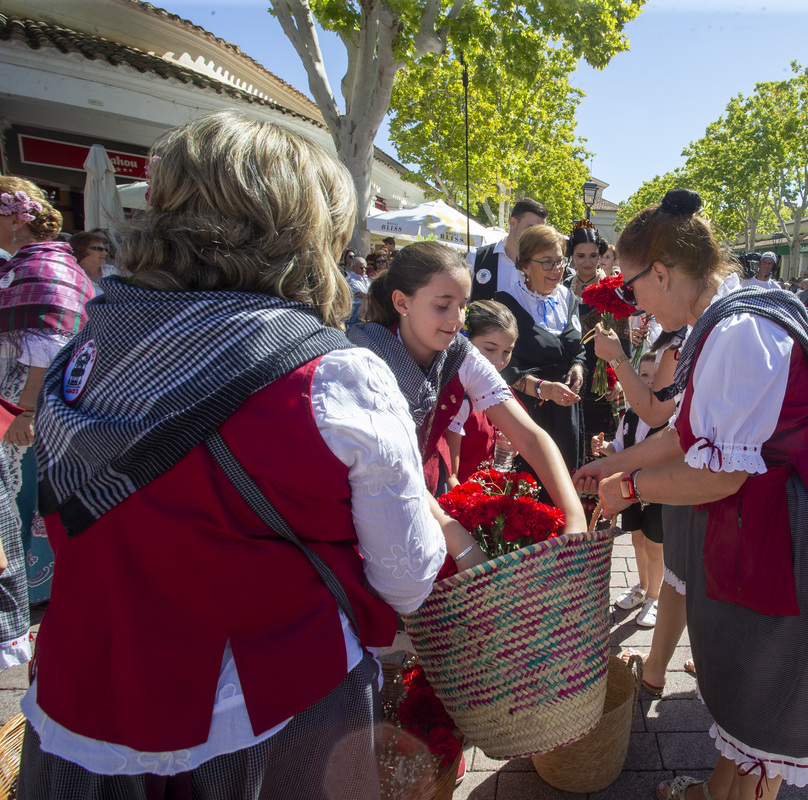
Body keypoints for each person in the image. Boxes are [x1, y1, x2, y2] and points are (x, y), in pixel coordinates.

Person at [17, 111, 465, 798]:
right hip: (265, 713)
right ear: (302, 231)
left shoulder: (82, 352)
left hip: (81, 710)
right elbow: (406, 578)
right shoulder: (334, 375)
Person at [577, 189, 808, 800]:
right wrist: (617, 464)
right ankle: (715, 791)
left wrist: (630, 487)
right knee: (749, 684)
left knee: (770, 688)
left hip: (792, 527)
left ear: (666, 272)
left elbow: (719, 473)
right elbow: (690, 430)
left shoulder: (736, 331)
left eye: (633, 284)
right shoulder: (729, 315)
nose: (633, 300)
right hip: (773, 514)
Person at [348, 242, 586, 531]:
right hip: (372, 507)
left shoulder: (459, 353)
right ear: (402, 302)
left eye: (462, 305)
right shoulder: (364, 359)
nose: (457, 319)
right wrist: (460, 544)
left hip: (429, 495)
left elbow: (530, 437)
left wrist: (574, 515)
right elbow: (389, 470)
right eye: (442, 305)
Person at [0, 180, 92, 662]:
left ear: (17, 218)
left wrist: (27, 409)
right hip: (28, 408)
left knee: (11, 504)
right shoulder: (30, 264)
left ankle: (11, 628)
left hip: (25, 411)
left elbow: (49, 345)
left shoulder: (41, 265)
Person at [495, 224, 587, 472]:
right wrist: (543, 388)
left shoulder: (569, 299)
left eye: (560, 261)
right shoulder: (505, 304)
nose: (557, 269)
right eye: (547, 262)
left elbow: (578, 349)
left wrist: (578, 367)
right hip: (529, 414)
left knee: (566, 482)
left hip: (567, 413)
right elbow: (501, 368)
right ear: (525, 265)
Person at [593, 353, 664, 628]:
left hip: (658, 491)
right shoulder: (632, 414)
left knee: (655, 545)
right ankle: (643, 585)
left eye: (657, 377)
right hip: (630, 489)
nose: (650, 382)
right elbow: (619, 449)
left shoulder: (670, 416)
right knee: (637, 539)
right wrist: (604, 448)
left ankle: (654, 596)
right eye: (644, 376)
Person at [447, 299, 520, 482]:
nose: (499, 361)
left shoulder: (502, 390)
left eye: (507, 351)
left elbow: (526, 438)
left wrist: (512, 444)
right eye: (489, 349)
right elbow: (451, 475)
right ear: (464, 340)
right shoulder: (457, 398)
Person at [567, 221, 628, 441]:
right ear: (572, 256)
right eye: (580, 256)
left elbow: (624, 340)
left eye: (593, 255)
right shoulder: (562, 288)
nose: (588, 262)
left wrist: (620, 380)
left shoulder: (613, 289)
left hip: (604, 380)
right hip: (570, 378)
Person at [467, 198, 548, 302]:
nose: (535, 235)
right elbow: (462, 305)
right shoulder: (476, 258)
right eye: (530, 228)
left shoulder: (542, 265)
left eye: (539, 231)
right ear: (513, 223)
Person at [67, 230, 112, 295]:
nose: (105, 253)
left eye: (105, 249)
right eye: (99, 249)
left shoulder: (111, 271)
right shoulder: (70, 275)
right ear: (81, 249)